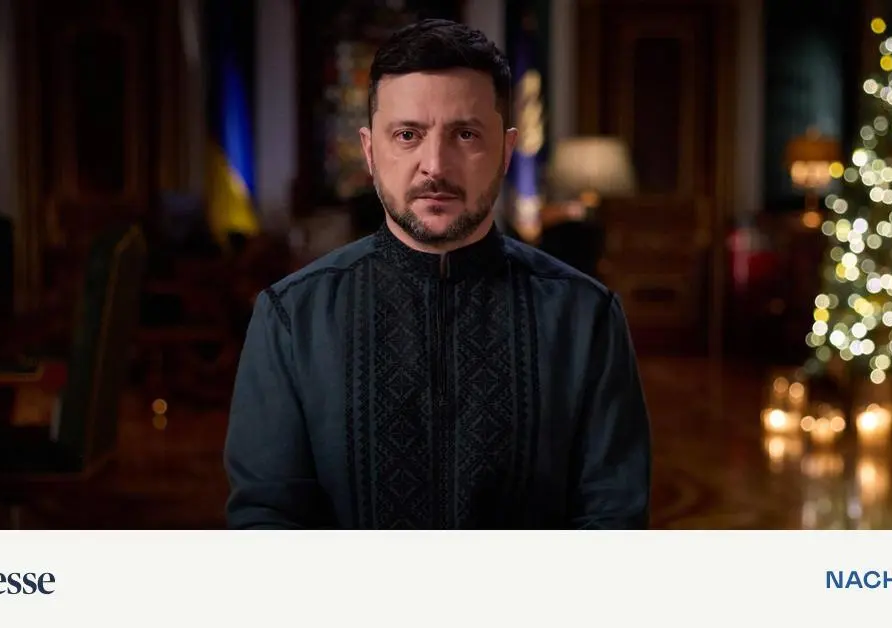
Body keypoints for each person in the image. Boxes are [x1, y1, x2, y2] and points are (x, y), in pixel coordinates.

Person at [224, 19, 651, 529]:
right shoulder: (292, 318)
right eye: (407, 135)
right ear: (369, 151)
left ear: (506, 150)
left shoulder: (587, 318)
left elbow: (612, 520)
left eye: (465, 134)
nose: (435, 165)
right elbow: (267, 522)